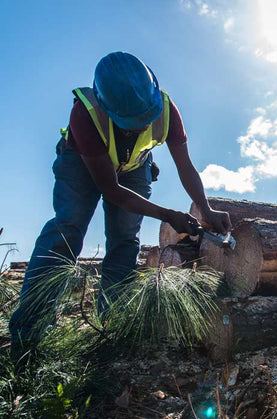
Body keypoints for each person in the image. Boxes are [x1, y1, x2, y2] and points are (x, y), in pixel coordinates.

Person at [9, 51, 231, 351]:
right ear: (107, 106)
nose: (141, 126)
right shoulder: (85, 114)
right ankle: (30, 332)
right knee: (68, 228)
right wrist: (167, 214)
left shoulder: (166, 109)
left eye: (145, 118)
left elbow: (185, 166)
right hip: (82, 162)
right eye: (132, 122)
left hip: (135, 165)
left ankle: (114, 323)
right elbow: (110, 190)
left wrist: (205, 209)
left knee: (125, 239)